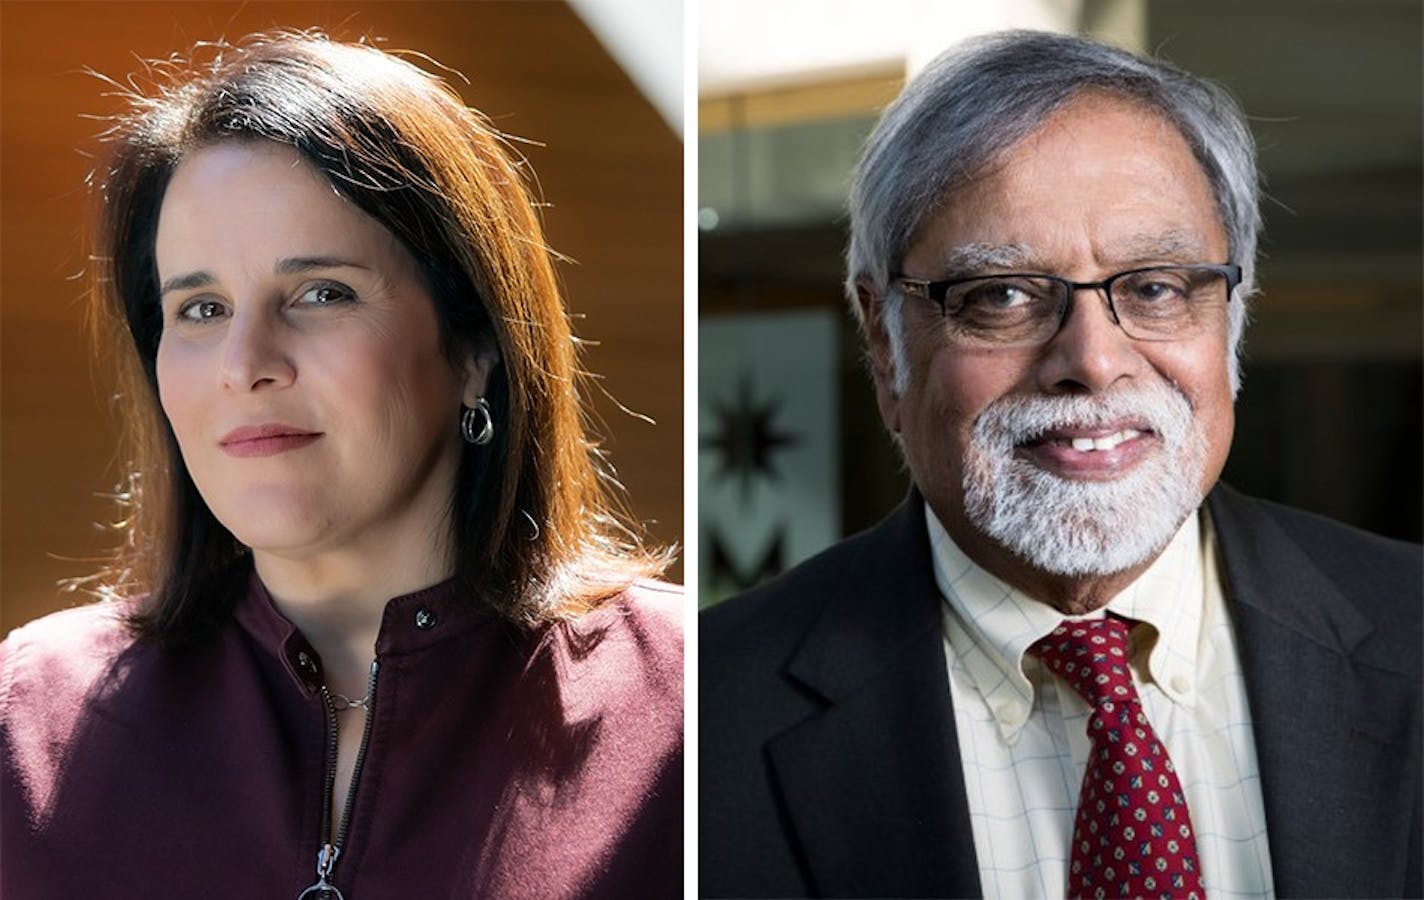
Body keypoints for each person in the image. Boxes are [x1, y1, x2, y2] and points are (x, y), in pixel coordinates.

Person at [700, 29, 1420, 900]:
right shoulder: (702, 721)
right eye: (1001, 295)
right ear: (885, 346)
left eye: (1154, 287)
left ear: (1231, 321)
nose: (1093, 359)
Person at [1, 32, 681, 899]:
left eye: (322, 293)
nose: (244, 362)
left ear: (473, 345)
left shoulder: (688, 707)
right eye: (200, 307)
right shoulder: (29, 721)